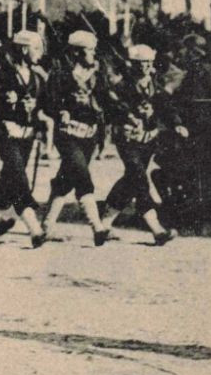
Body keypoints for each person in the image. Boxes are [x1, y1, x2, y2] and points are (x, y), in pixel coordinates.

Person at [99, 44, 184, 246]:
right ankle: (156, 229)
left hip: (148, 140)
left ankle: (104, 223)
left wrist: (177, 124)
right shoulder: (122, 87)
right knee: (137, 175)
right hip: (128, 139)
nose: (144, 67)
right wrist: (126, 115)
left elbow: (166, 107)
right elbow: (111, 108)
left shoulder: (155, 85)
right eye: (140, 63)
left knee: (130, 180)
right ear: (132, 65)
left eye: (148, 63)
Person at [41, 30, 110, 245]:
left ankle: (46, 225)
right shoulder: (61, 72)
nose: (93, 54)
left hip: (89, 134)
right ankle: (97, 227)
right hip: (68, 133)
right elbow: (48, 100)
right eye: (89, 50)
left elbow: (106, 98)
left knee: (66, 179)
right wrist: (60, 110)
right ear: (78, 52)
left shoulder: (99, 72)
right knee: (81, 174)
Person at [0, 29, 48, 246]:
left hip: (27, 134)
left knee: (9, 178)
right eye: (36, 48)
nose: (40, 52)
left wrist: (38, 112)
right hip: (7, 132)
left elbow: (44, 103)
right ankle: (34, 228)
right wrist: (6, 100)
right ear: (23, 49)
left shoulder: (38, 77)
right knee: (19, 177)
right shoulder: (4, 75)